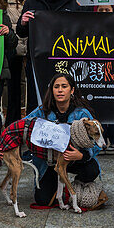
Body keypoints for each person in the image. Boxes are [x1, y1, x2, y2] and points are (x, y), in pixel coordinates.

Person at [26, 72, 102, 209]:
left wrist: (82, 155)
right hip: (48, 164)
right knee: (42, 200)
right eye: (56, 87)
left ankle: (76, 184)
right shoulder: (42, 112)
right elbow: (21, 126)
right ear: (52, 90)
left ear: (72, 90)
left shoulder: (82, 114)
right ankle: (58, 184)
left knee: (92, 170)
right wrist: (2, 143)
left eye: (64, 86)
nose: (60, 90)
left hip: (73, 160)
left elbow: (97, 142)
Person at [16, 0, 81, 110]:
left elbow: (80, 30)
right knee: (37, 97)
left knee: (63, 97)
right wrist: (23, 22)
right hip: (38, 60)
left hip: (64, 59)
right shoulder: (32, 1)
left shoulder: (71, 2)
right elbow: (21, 32)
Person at [4, 0, 39, 123]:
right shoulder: (6, 1)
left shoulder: (37, 0)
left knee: (31, 87)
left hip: (32, 48)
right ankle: (12, 122)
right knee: (13, 87)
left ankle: (30, 120)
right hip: (14, 48)